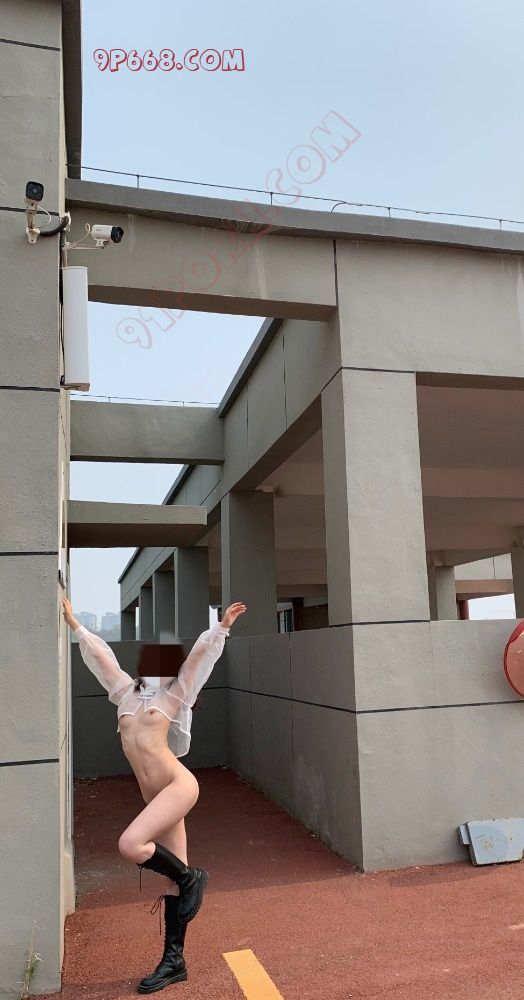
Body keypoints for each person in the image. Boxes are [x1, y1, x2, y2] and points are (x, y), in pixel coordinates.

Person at [62, 596, 247, 994]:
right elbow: (102, 657)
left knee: (131, 844)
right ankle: (174, 962)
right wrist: (75, 624)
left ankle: (192, 878)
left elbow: (197, 660)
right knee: (173, 886)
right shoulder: (124, 693)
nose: (157, 664)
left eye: (164, 661)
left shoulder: (174, 696)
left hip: (178, 786)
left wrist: (221, 628)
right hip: (156, 797)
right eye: (153, 659)